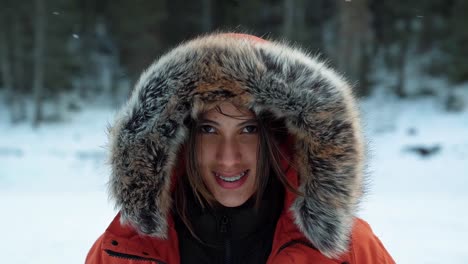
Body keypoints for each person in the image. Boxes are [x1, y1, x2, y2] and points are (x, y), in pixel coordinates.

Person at [86, 33, 395, 264]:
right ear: (179, 142)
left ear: (278, 138)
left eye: (249, 130)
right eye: (209, 130)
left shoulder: (350, 252)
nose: (229, 157)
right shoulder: (122, 253)